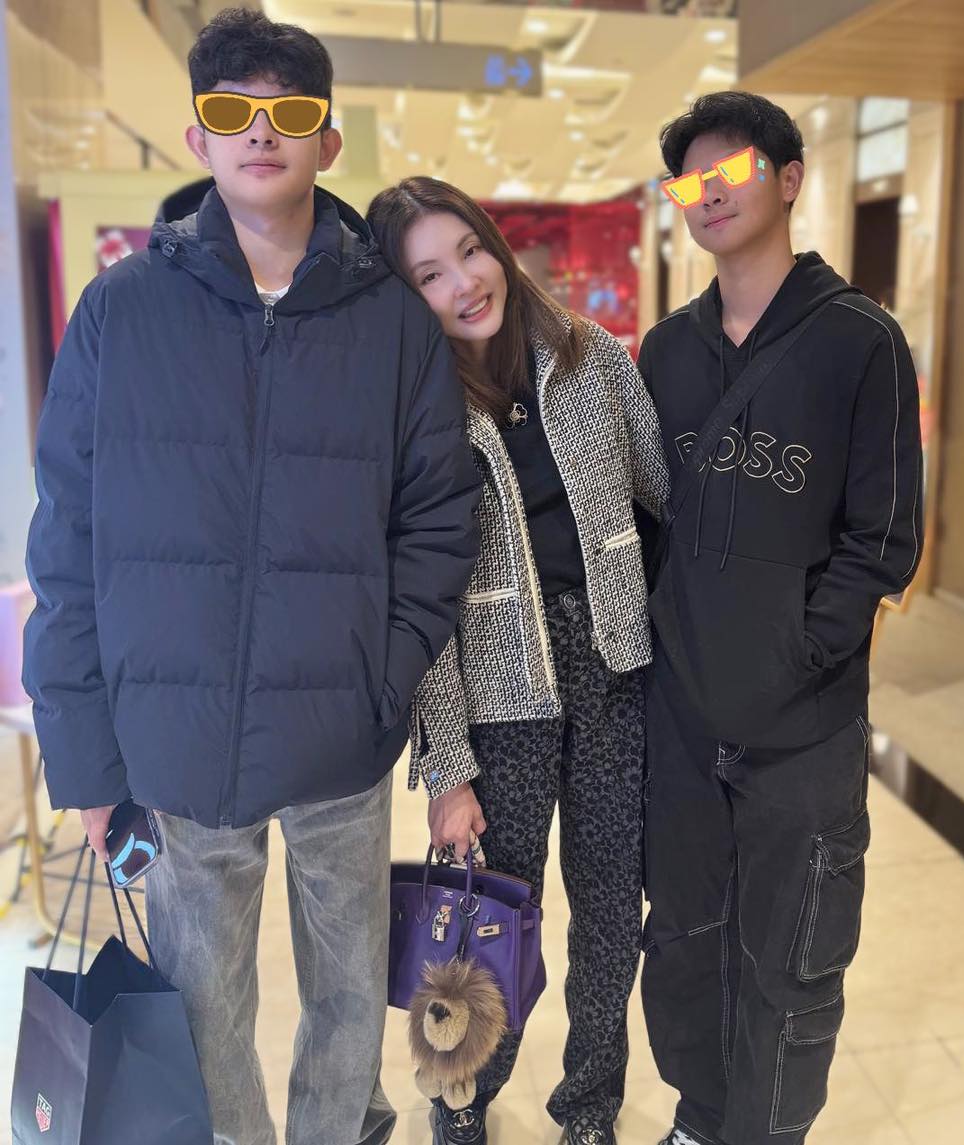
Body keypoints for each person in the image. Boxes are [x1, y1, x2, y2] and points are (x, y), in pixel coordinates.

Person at [22, 11, 480, 1145]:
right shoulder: (122, 311)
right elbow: (67, 537)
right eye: (233, 111)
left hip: (339, 735)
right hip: (177, 743)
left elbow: (438, 516)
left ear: (329, 140)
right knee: (202, 1005)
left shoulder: (391, 324)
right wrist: (85, 755)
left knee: (346, 999)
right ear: (199, 137)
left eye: (290, 111)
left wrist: (384, 673)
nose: (260, 131)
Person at [637, 92, 923, 1145]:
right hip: (683, 716)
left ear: (791, 178)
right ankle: (701, 1116)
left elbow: (883, 537)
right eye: (690, 180)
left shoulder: (861, 342)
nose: (707, 193)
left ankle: (768, 1131)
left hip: (803, 726)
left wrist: (798, 649)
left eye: (733, 170)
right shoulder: (666, 352)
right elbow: (647, 522)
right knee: (686, 938)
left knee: (792, 955)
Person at [367, 177, 670, 1145]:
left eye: (469, 251)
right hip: (499, 699)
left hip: (614, 672)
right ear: (404, 296)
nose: (463, 283)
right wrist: (447, 768)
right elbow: (419, 604)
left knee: (611, 912)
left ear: (495, 245)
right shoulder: (414, 414)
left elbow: (662, 499)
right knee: (490, 920)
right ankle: (462, 1100)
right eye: (428, 275)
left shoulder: (592, 358)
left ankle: (589, 1107)